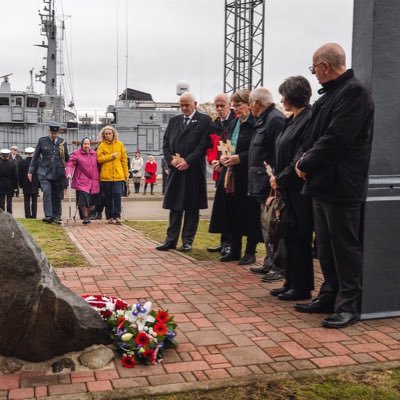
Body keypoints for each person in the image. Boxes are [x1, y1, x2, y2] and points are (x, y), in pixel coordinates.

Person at [294, 43, 374, 328]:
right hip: (322, 184)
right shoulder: (328, 97)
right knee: (326, 248)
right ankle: (329, 295)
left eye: (314, 68)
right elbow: (312, 138)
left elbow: (337, 139)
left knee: (344, 248)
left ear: (325, 66)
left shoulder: (353, 93)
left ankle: (348, 305)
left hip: (342, 186)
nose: (313, 74)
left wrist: (305, 163)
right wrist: (302, 159)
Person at [268, 76, 314, 301]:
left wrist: (281, 178)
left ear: (294, 96)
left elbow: (300, 154)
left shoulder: (308, 119)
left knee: (300, 237)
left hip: (298, 189)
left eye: (284, 94)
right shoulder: (292, 119)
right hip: (287, 187)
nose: (282, 99)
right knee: (289, 236)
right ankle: (291, 281)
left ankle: (302, 285)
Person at [209, 89, 263, 265]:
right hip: (231, 174)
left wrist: (238, 158)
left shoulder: (255, 123)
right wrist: (222, 158)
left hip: (248, 174)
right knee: (233, 212)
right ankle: (235, 249)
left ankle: (250, 251)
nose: (235, 109)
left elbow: (257, 149)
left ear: (248, 104)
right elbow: (227, 143)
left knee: (250, 213)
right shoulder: (234, 123)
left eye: (238, 105)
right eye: (234, 106)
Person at [156, 92, 211, 252]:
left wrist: (188, 161)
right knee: (175, 206)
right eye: (181, 105)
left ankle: (187, 241)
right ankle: (170, 239)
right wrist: (171, 160)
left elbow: (203, 145)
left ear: (195, 103)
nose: (184, 108)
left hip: (193, 171)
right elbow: (165, 144)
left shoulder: (204, 120)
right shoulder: (174, 121)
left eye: (187, 105)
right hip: (176, 170)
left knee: (192, 207)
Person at [248, 87, 286, 271]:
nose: (249, 106)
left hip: (268, 181)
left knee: (273, 225)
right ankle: (269, 262)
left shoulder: (275, 119)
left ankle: (277, 266)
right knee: (266, 224)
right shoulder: (264, 119)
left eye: (250, 102)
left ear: (257, 103)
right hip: (260, 180)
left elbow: (280, 152)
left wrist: (276, 176)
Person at [206, 93, 236, 257]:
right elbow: (210, 147)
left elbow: (232, 147)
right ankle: (224, 242)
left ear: (229, 104)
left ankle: (230, 243)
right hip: (219, 171)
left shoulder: (235, 122)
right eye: (216, 106)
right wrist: (213, 162)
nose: (219, 109)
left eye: (222, 105)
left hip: (231, 171)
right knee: (222, 209)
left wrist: (222, 161)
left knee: (231, 208)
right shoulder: (215, 124)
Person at [28, 121, 69, 224]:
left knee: (57, 194)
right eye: (52, 133)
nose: (54, 135)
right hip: (44, 172)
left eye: (56, 133)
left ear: (58, 132)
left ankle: (56, 216)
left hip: (58, 173)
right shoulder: (42, 141)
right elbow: (35, 157)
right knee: (47, 192)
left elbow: (67, 157)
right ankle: (49, 216)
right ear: (49, 131)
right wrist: (30, 171)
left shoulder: (63, 142)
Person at [97, 126, 128, 224]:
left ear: (113, 134)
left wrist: (126, 174)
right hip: (106, 176)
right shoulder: (101, 145)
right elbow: (99, 159)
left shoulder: (120, 145)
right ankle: (110, 216)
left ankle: (117, 216)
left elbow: (124, 160)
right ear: (104, 135)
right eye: (106, 134)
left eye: (110, 133)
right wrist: (111, 156)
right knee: (108, 196)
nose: (108, 135)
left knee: (117, 194)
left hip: (118, 175)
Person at [65, 137, 100, 225]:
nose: (86, 146)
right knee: (83, 199)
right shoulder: (76, 154)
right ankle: (85, 218)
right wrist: (68, 173)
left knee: (91, 202)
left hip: (93, 181)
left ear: (90, 145)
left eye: (88, 144)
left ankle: (87, 216)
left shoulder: (95, 154)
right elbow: (70, 164)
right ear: (82, 144)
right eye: (85, 144)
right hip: (81, 180)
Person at [18, 147, 39, 218]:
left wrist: (21, 185)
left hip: (25, 184)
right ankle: (34, 216)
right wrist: (39, 185)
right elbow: (40, 174)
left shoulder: (21, 162)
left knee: (26, 201)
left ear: (26, 153)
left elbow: (20, 175)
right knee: (34, 201)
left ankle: (27, 215)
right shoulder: (38, 162)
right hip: (35, 184)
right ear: (33, 153)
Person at [0, 149, 18, 214]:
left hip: (1, 185)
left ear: (1, 155)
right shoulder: (12, 164)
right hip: (10, 185)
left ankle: (1, 215)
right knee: (9, 202)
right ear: (8, 155)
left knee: (1, 201)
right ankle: (9, 215)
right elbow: (15, 177)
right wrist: (16, 187)